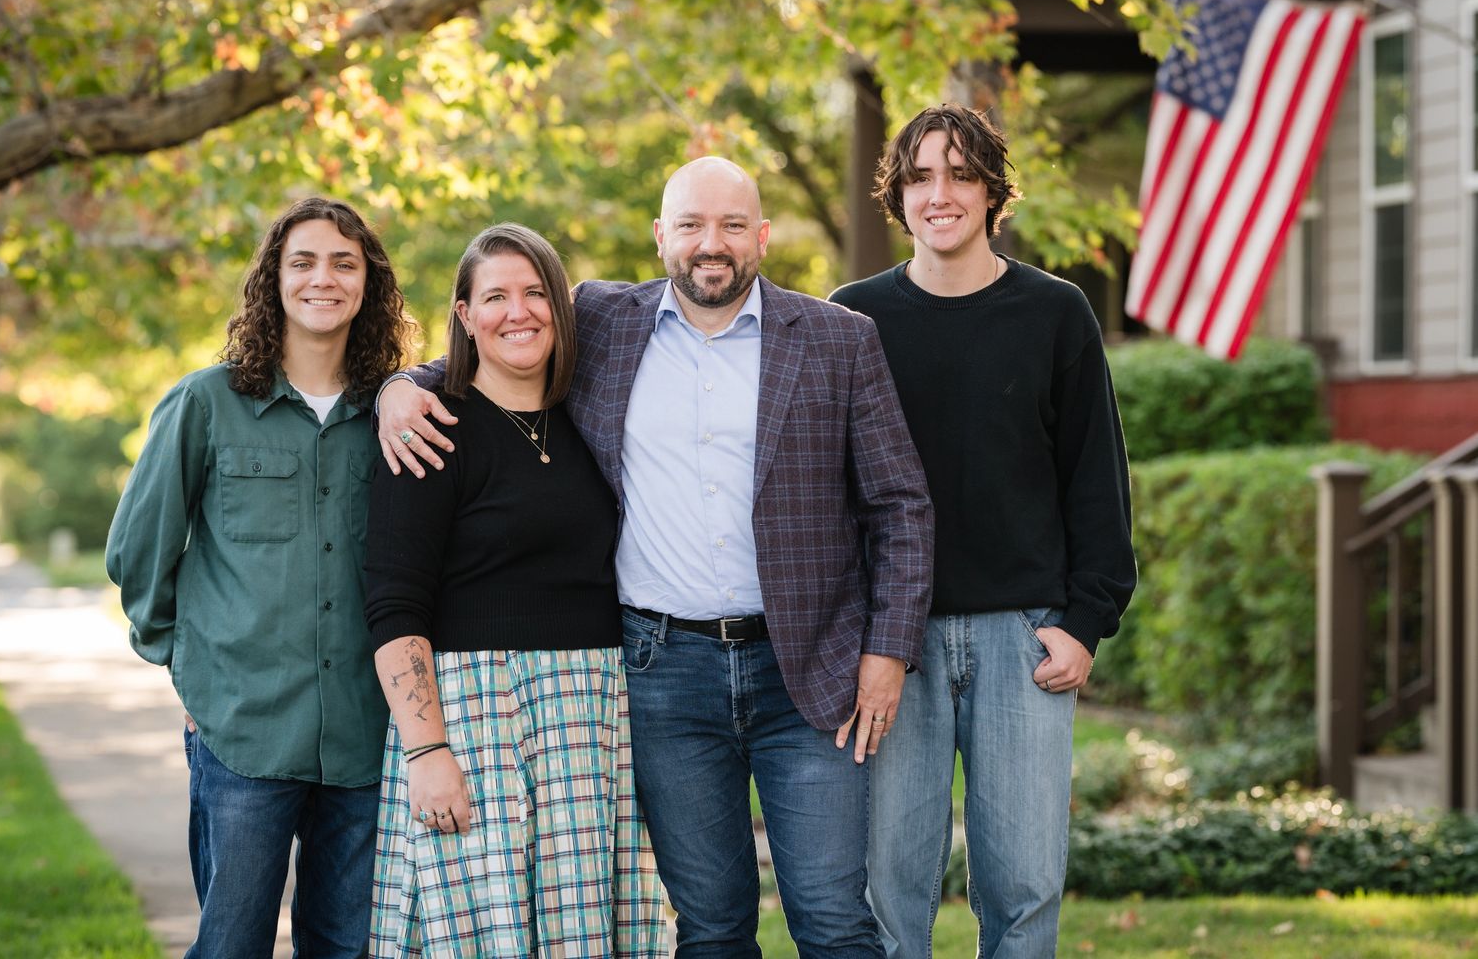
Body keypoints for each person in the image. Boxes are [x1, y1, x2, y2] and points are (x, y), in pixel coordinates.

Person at [377, 157, 934, 955]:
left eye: (733, 225)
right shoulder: (604, 319)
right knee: (708, 925)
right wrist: (401, 384)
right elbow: (500, 338)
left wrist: (888, 651)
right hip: (661, 672)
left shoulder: (840, 341)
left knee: (835, 919)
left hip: (809, 672)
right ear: (660, 236)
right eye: (693, 225)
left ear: (763, 237)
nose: (713, 244)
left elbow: (901, 505)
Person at [829, 105, 1137, 958]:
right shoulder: (852, 320)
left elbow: (1096, 480)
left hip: (1022, 640)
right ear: (899, 196)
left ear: (993, 191)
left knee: (1025, 889)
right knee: (890, 889)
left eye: (962, 174)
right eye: (922, 175)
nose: (941, 193)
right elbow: (823, 492)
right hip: (894, 647)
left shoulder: (1055, 313)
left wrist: (1084, 622)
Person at [106, 197, 418, 958]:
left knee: (350, 946)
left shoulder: (395, 412)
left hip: (363, 733)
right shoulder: (206, 403)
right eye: (303, 262)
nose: (324, 279)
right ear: (273, 280)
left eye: (345, 263)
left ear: (367, 283)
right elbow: (137, 550)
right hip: (241, 729)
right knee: (231, 943)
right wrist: (180, 662)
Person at [362, 223, 665, 956]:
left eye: (535, 293)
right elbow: (394, 604)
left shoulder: (591, 418)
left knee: (582, 936)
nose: (517, 311)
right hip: (471, 719)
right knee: (482, 933)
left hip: (589, 719)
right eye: (494, 296)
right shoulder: (430, 429)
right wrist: (425, 750)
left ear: (562, 309)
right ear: (465, 316)